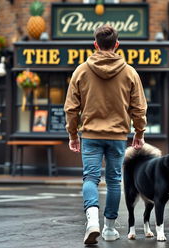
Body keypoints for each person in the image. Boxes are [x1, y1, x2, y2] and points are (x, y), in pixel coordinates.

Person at [64, 24, 147, 245]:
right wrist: (139, 132)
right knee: (113, 181)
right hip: (118, 137)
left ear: (95, 45)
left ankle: (92, 221)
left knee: (90, 178)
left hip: (90, 135)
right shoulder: (130, 72)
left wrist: (73, 134)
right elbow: (139, 108)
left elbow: (71, 108)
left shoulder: (81, 71)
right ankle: (109, 229)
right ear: (117, 45)